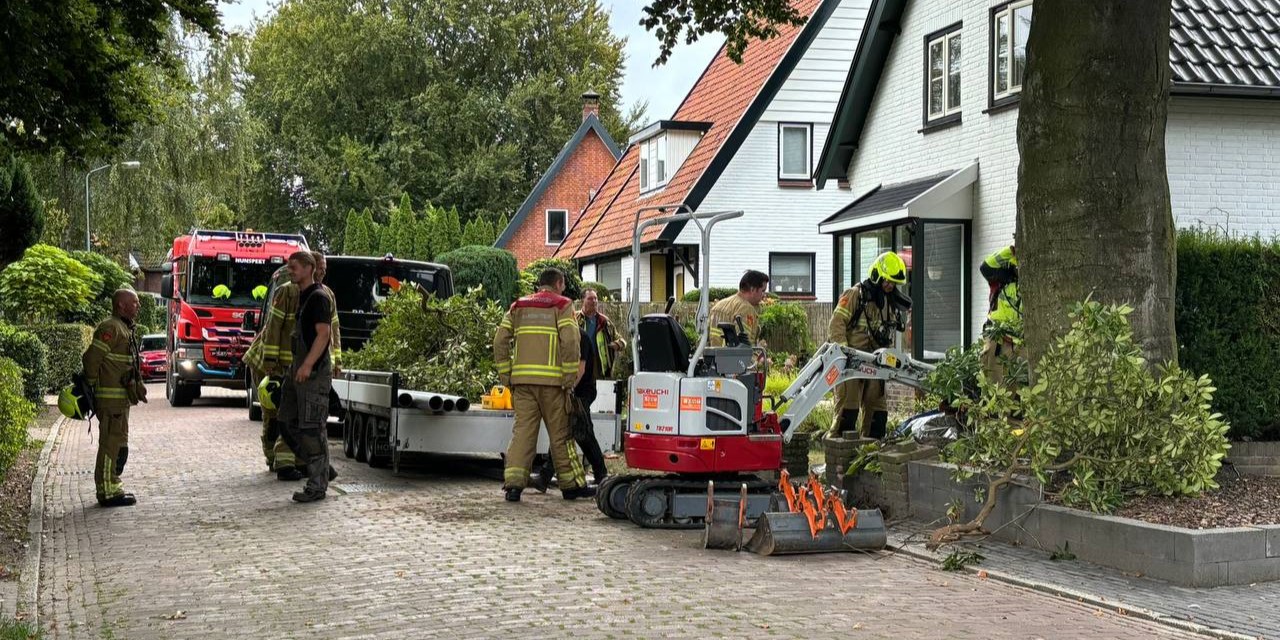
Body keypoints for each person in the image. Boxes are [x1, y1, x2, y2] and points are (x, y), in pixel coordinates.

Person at [493, 267, 590, 502]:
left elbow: (499, 341)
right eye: (563, 284)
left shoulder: (518, 306)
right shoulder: (562, 305)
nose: (564, 289)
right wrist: (568, 378)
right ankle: (570, 486)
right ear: (558, 283)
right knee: (560, 435)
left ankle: (514, 486)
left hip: (523, 383)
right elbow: (570, 341)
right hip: (553, 384)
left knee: (523, 433)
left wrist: (507, 376)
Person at [827, 252, 910, 439]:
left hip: (876, 364)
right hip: (850, 364)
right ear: (876, 276)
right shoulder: (856, 295)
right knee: (847, 413)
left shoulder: (888, 302)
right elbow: (836, 324)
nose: (890, 286)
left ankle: (869, 457)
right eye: (887, 281)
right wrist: (843, 352)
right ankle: (837, 459)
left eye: (893, 283)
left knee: (877, 415)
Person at [275, 251, 334, 503]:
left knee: (312, 429)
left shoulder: (318, 298)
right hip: (296, 371)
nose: (291, 270)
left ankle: (317, 485)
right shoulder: (303, 296)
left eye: (295, 266)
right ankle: (321, 467)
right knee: (286, 421)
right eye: (289, 266)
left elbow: (324, 334)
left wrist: (308, 364)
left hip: (313, 375)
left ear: (309, 268)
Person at [82, 289, 146, 507]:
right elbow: (91, 358)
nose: (138, 306)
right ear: (121, 305)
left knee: (118, 444)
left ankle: (113, 485)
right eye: (135, 303)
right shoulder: (111, 328)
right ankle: (108, 492)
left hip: (120, 400)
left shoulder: (123, 328)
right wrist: (90, 385)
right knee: (110, 444)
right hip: (111, 402)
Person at [532, 325, 609, 491]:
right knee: (564, 432)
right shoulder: (564, 335)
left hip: (580, 392)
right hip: (572, 391)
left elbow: (580, 369)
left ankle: (601, 474)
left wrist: (568, 389)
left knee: (583, 433)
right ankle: (545, 476)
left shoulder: (579, 337)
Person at [979, 245, 1022, 385]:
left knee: (1018, 393)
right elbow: (985, 267)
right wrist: (1011, 251)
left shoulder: (1033, 284)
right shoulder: (1000, 278)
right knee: (994, 386)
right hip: (998, 340)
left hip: (1020, 343)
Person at [708, 270, 770, 347]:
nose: (764, 295)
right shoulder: (746, 308)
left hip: (713, 357)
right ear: (752, 289)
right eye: (763, 291)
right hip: (733, 358)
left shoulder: (717, 306)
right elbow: (745, 346)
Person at [576, 289, 625, 380]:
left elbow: (622, 340)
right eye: (590, 298)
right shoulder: (575, 319)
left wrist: (617, 344)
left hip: (598, 366)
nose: (594, 301)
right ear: (582, 300)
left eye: (595, 298)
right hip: (578, 363)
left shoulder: (604, 321)